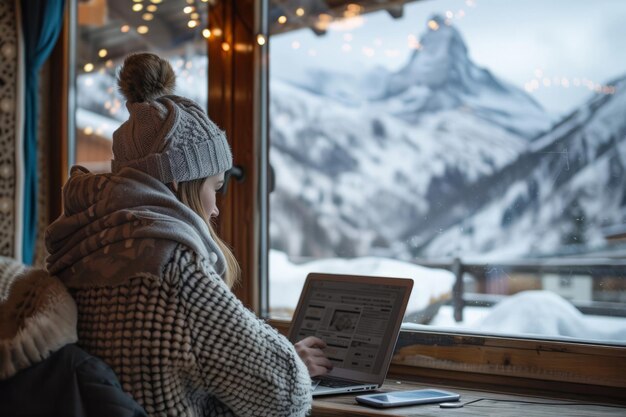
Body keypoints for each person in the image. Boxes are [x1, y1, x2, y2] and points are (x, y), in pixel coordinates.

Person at [45, 52, 331, 417]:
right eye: (215, 187)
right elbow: (282, 395)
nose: (215, 209)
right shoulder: (171, 264)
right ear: (179, 183)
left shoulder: (78, 246)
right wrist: (295, 362)